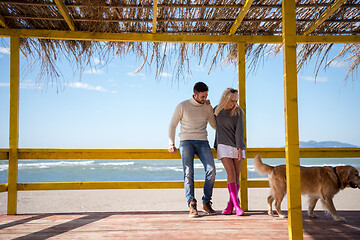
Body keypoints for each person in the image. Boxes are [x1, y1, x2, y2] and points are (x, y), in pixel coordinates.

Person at [168, 82, 217, 218]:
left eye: (206, 96)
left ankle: (206, 202)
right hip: (186, 142)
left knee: (212, 171)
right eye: (202, 96)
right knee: (188, 173)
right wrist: (171, 143)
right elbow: (172, 125)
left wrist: (215, 110)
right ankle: (191, 203)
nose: (204, 99)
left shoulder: (207, 107)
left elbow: (215, 125)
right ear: (194, 95)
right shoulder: (182, 106)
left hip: (203, 141)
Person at [214, 88, 245, 216]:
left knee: (236, 175)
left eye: (235, 100)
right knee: (231, 173)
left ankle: (230, 205)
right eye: (232, 100)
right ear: (225, 98)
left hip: (236, 146)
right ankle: (237, 205)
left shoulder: (238, 112)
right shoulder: (216, 110)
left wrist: (239, 148)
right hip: (222, 145)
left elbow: (239, 130)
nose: (234, 103)